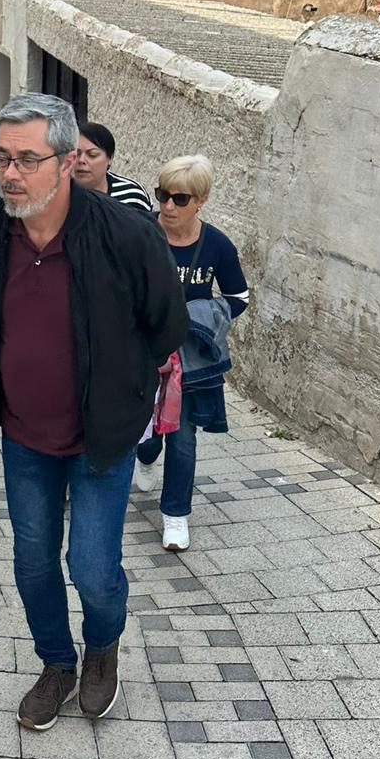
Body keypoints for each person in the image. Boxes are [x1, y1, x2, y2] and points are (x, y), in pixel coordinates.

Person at [0, 94, 188, 732]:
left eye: (27, 160)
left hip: (102, 441)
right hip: (24, 438)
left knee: (91, 567)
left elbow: (165, 325)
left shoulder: (125, 233)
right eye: (1, 158)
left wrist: (122, 392)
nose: (9, 173)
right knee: (32, 562)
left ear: (67, 162)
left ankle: (101, 651)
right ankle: (57, 663)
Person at [135, 155, 249, 552]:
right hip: (138, 349)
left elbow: (239, 296)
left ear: (201, 200)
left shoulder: (216, 245)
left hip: (187, 360)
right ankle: (145, 456)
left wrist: (200, 320)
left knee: (181, 436)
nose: (168, 206)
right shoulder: (141, 231)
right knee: (143, 429)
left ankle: (176, 516)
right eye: (163, 195)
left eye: (179, 199)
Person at [72, 122, 152, 212]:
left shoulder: (131, 194)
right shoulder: (58, 194)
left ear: (110, 158)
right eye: (76, 154)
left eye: (92, 155)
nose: (81, 160)